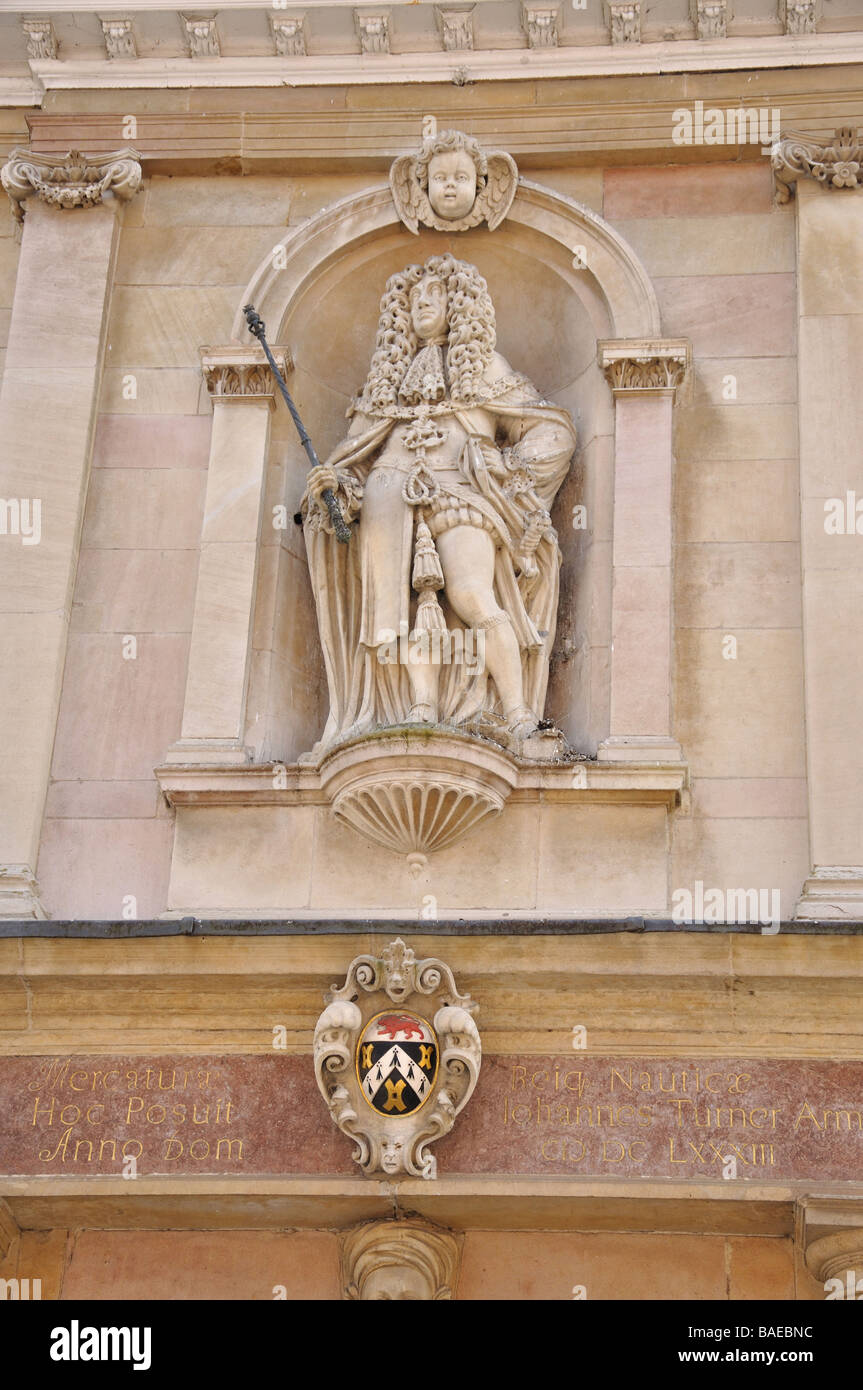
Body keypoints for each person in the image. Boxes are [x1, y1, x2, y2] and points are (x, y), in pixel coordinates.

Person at [302, 253, 576, 759]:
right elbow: (356, 461)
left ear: (460, 306)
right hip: (388, 499)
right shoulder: (385, 385)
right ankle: (419, 709)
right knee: (399, 612)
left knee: (473, 597)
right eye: (414, 300)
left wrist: (505, 472)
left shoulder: (485, 369)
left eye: (435, 296)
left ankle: (518, 717)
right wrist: (334, 484)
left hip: (460, 495)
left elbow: (552, 432)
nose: (423, 305)